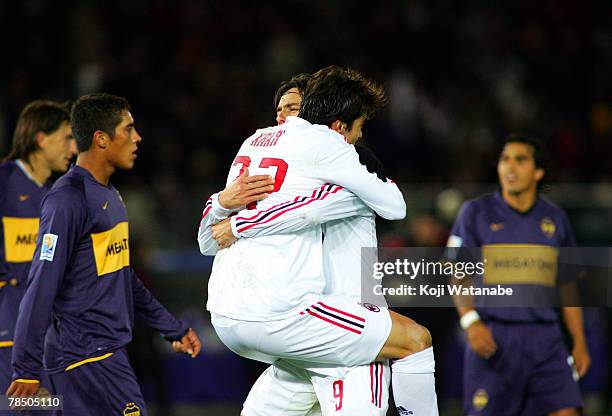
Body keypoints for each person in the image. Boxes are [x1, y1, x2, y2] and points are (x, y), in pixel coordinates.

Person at [198, 66, 438, 415]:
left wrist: (234, 219)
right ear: (340, 126)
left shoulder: (254, 142)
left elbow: (211, 239)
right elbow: (393, 206)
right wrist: (232, 215)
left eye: (294, 107)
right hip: (304, 316)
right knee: (416, 339)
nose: (285, 116)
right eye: (358, 127)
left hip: (233, 315)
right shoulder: (332, 147)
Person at [6, 93, 202, 415]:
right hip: (83, 358)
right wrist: (25, 367)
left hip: (103, 353)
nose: (137, 138)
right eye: (128, 129)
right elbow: (42, 283)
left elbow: (122, 275)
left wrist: (172, 328)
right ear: (101, 138)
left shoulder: (108, 194)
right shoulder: (68, 199)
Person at [447, 135, 590, 415]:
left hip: (547, 340)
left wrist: (580, 341)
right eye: (504, 159)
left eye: (520, 159)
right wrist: (471, 322)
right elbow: (456, 272)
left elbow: (568, 286)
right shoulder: (475, 212)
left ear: (538, 172)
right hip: (494, 336)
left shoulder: (556, 219)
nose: (510, 167)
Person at [0, 100, 77, 414]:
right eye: (66, 138)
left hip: (47, 334)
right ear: (41, 138)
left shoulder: (58, 193)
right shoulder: (5, 182)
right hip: (8, 331)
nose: (73, 149)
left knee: (49, 408)